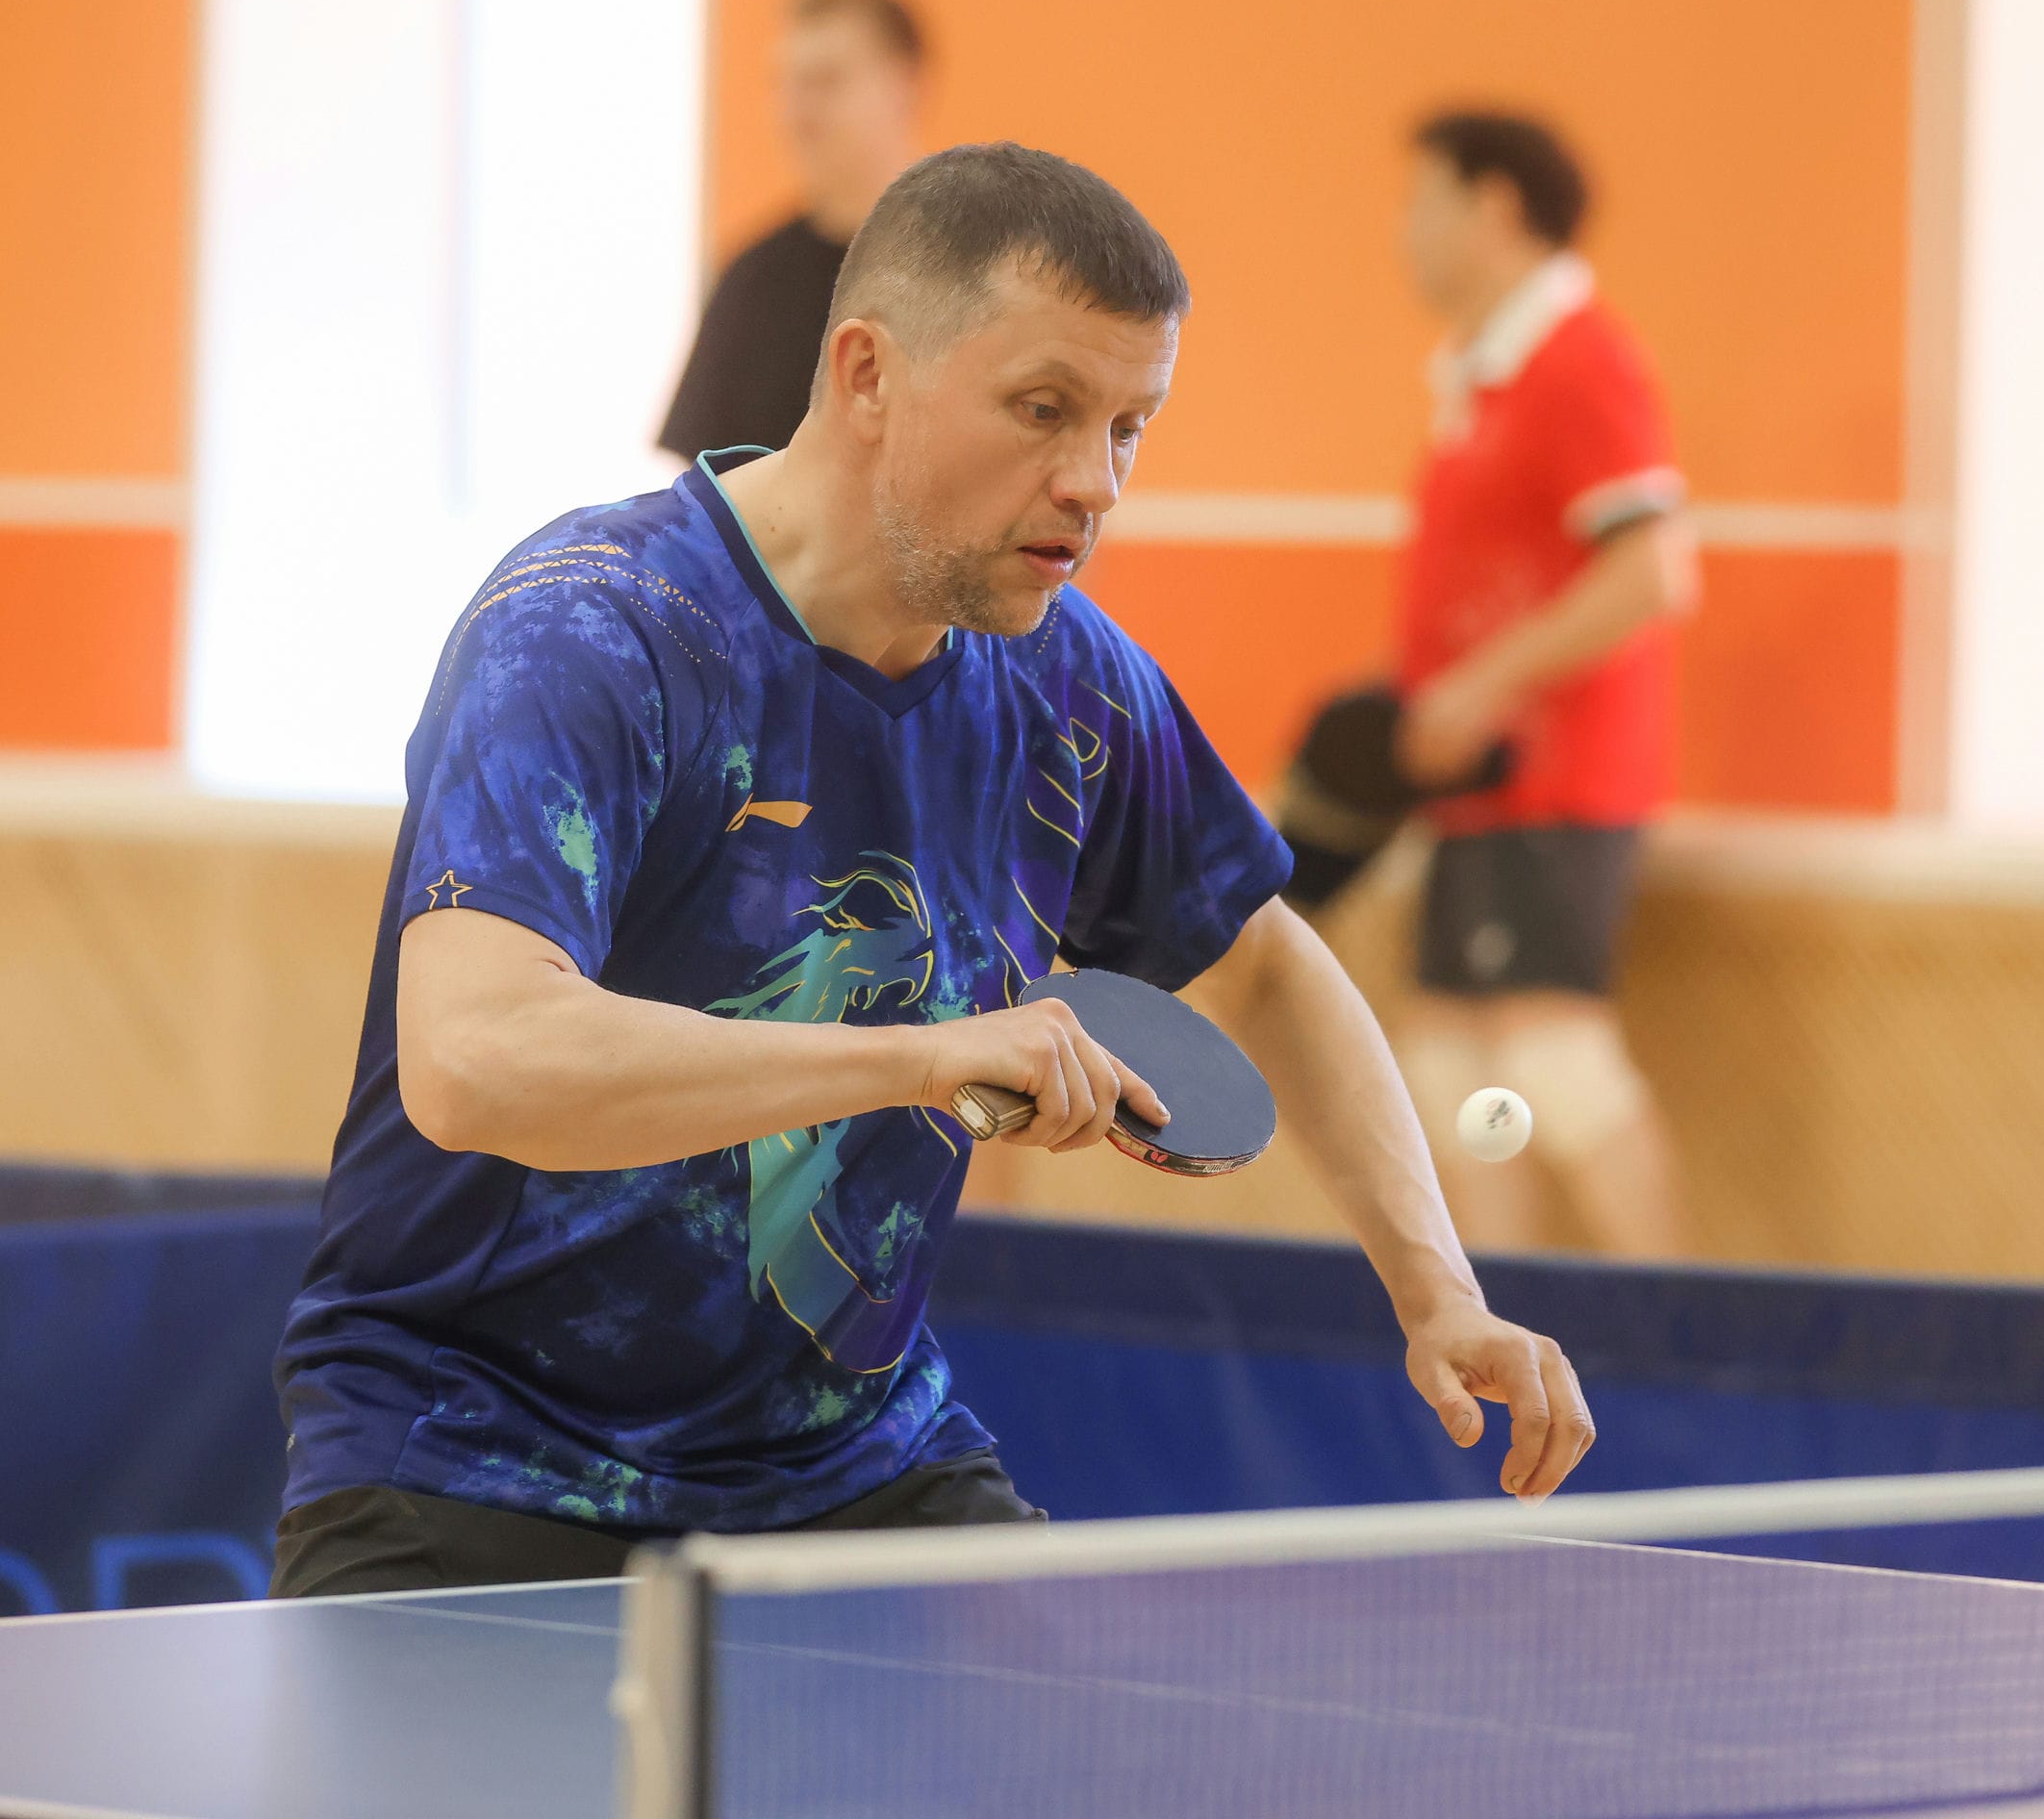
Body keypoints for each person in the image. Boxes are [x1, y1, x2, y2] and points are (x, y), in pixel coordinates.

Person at [270, 143, 1594, 1597]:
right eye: (1044, 409)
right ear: (866, 374)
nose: (1093, 483)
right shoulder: (597, 632)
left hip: (848, 1466)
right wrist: (915, 1058)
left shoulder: (1068, 684)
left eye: (1130, 427)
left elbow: (1266, 961)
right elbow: (474, 1058)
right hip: (475, 1458)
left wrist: (1439, 1291)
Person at [1383, 111, 1700, 1257]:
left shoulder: (1579, 356)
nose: (1403, 231)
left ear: (1495, 205)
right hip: (1479, 791)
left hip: (1556, 782)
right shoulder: (1483, 380)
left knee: (1555, 1063)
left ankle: (1688, 1335)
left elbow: (1654, 570)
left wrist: (1482, 686)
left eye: (1422, 201)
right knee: (1458, 1071)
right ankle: (1498, 1329)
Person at [657, 0, 925, 459]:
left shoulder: (977, 265)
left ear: (902, 86)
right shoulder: (752, 281)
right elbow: (703, 478)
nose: (800, 112)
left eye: (826, 81)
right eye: (789, 84)